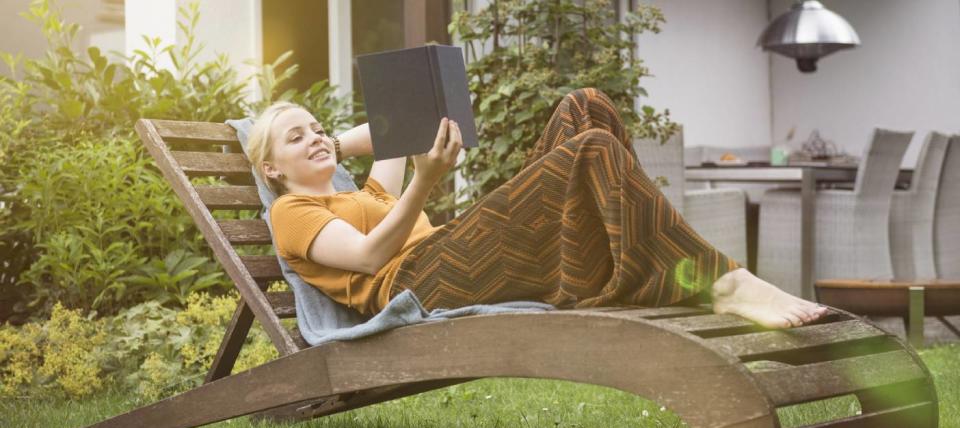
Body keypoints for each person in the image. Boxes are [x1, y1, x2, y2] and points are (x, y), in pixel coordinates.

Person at [248, 88, 827, 329]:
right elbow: (372, 257)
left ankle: (623, 265)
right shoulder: (291, 211)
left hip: (451, 259)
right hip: (416, 282)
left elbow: (402, 128)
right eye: (295, 139)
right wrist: (424, 182)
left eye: (318, 128)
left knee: (585, 107)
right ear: (271, 169)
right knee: (592, 150)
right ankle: (721, 283)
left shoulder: (360, 193)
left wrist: (326, 144)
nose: (316, 138)